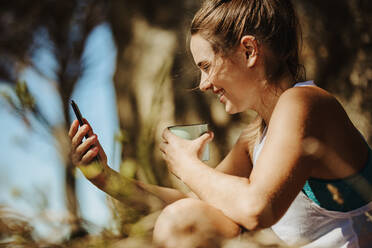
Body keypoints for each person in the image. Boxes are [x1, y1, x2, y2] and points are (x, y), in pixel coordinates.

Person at [69, 0, 372, 247]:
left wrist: (187, 166)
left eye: (206, 66)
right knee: (184, 219)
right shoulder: (255, 135)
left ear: (249, 51)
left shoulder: (304, 103)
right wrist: (104, 177)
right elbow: (202, 199)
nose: (202, 84)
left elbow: (256, 209)